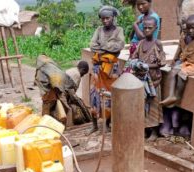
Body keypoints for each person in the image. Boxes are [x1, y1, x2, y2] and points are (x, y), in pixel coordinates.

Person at [89, 5, 126, 135]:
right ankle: (94, 125)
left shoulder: (119, 30)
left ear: (113, 18)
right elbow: (92, 45)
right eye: (103, 19)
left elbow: (119, 45)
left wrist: (103, 47)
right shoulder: (99, 30)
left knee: (110, 96)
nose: (105, 21)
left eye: (108, 18)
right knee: (94, 94)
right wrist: (109, 48)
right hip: (97, 67)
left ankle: (107, 124)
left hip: (111, 70)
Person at [131, 17, 166, 141]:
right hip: (141, 81)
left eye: (149, 28)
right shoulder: (140, 43)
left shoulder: (157, 43)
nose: (146, 30)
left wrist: (147, 66)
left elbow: (162, 62)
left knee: (153, 107)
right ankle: (145, 130)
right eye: (144, 28)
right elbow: (133, 58)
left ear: (155, 28)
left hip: (153, 82)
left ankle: (155, 132)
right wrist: (136, 64)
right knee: (143, 107)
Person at [34, 56, 91, 126]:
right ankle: (50, 126)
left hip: (53, 90)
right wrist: (84, 110)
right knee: (62, 110)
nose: (83, 75)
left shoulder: (72, 70)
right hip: (55, 92)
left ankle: (49, 124)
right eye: (84, 73)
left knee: (52, 108)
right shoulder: (77, 74)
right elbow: (71, 92)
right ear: (82, 69)